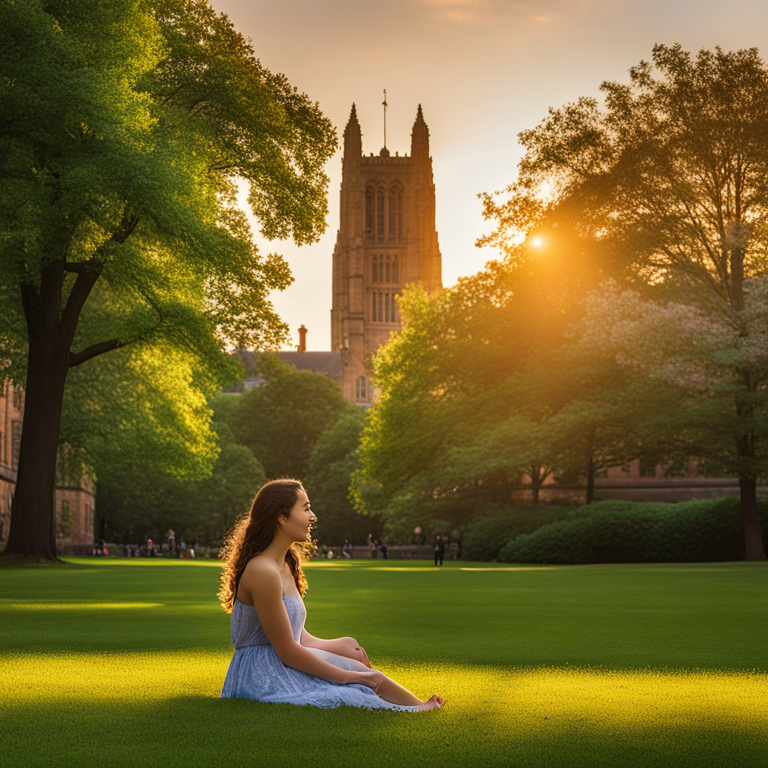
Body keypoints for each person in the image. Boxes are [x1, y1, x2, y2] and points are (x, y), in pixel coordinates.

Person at [219, 479, 444, 712]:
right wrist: (346, 676)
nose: (313, 516)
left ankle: (418, 707)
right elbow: (288, 650)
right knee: (354, 686)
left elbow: (298, 637)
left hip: (283, 658)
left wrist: (342, 645)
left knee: (365, 672)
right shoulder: (262, 570)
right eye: (306, 509)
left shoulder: (286, 563)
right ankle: (415, 710)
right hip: (262, 673)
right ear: (281, 517)